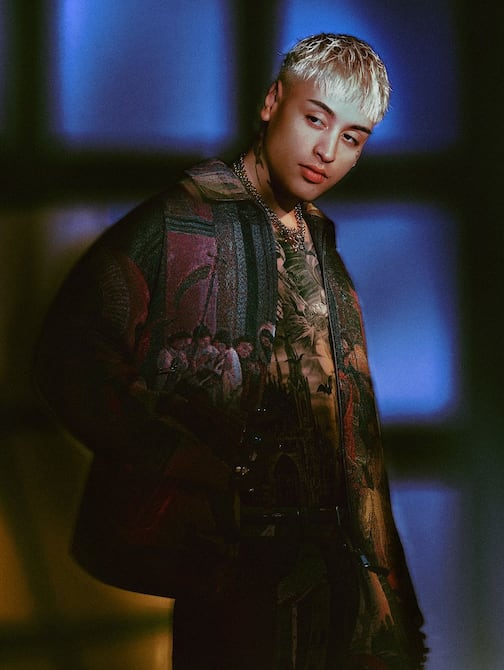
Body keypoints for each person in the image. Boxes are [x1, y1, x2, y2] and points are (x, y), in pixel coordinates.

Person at [34, 33, 427, 670]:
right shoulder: (178, 221)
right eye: (316, 119)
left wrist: (386, 594)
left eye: (352, 138)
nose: (327, 152)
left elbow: (356, 441)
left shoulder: (325, 256)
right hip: (226, 565)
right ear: (273, 102)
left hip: (328, 572)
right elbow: (69, 354)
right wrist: (175, 452)